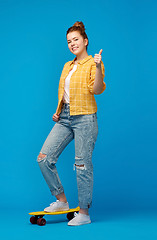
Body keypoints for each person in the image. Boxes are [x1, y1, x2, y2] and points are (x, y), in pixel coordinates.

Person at [37, 21, 106, 226]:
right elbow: (64, 92)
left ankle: (84, 214)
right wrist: (58, 112)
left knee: (82, 165)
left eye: (76, 39)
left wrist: (97, 67)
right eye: (69, 41)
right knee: (44, 158)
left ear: (85, 41)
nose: (72, 44)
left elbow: (97, 89)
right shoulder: (68, 65)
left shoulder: (94, 63)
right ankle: (62, 201)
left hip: (85, 118)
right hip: (65, 117)